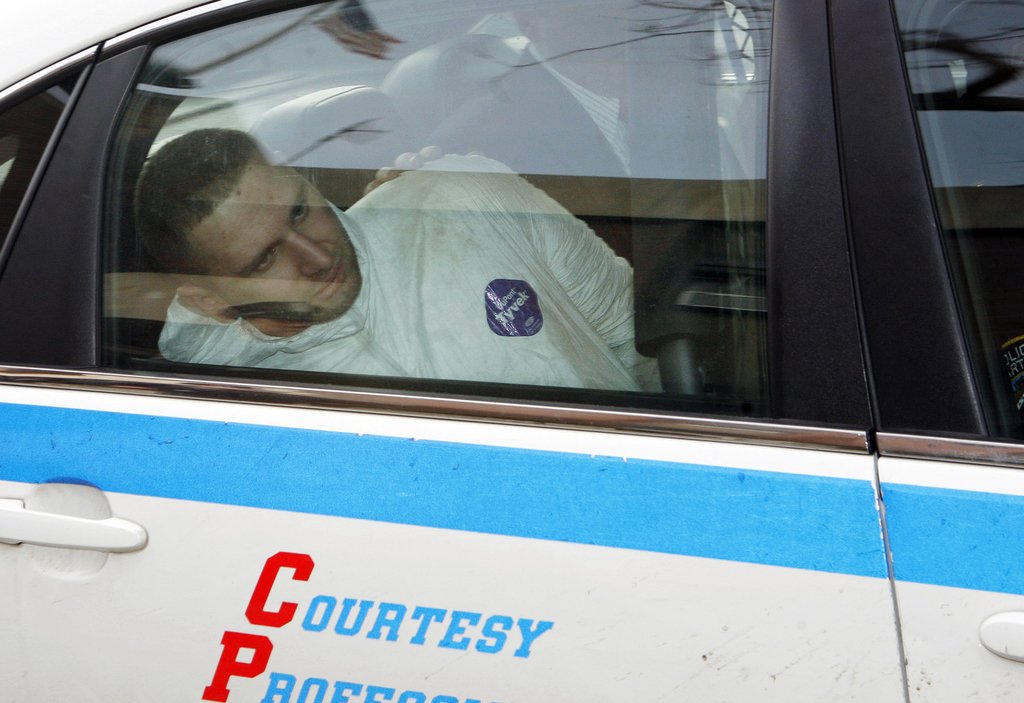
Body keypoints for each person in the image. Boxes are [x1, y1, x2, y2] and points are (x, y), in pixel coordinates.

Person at [134, 128, 659, 391]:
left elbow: (633, 338)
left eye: (299, 211)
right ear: (210, 302)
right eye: (265, 259)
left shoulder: (461, 199)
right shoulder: (222, 393)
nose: (316, 256)